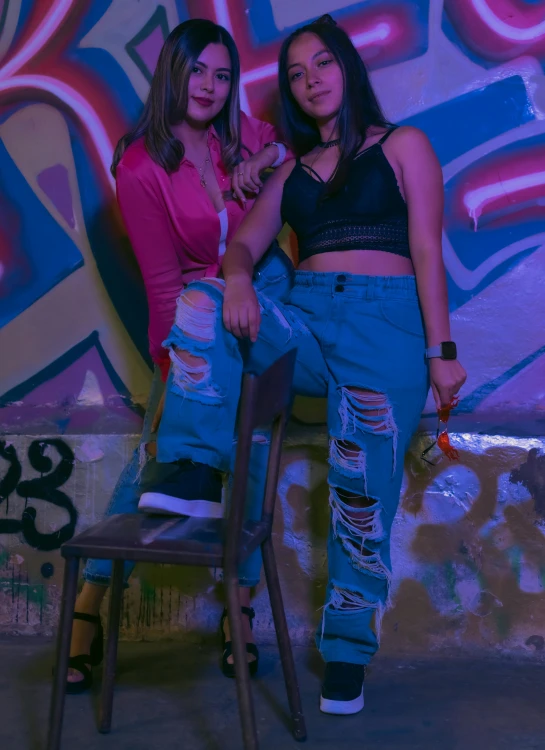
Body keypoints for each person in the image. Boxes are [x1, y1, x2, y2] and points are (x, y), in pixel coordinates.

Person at [149, 14, 467, 715]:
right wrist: (235, 279)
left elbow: (424, 251)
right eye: (294, 74)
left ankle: (346, 657)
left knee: (357, 506)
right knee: (201, 299)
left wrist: (440, 352)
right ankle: (194, 469)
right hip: (308, 321)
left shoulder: (403, 145)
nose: (309, 80)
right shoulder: (290, 171)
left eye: (320, 63)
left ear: (346, 69)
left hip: (385, 332)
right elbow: (242, 248)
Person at [65, 18, 294, 694]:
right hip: (199, 320)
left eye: (223, 76)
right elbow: (163, 281)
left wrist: (262, 160)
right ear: (174, 73)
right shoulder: (141, 166)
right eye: (198, 71)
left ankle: (238, 615)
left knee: (250, 451)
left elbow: (284, 146)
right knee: (164, 451)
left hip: (264, 299)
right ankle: (88, 612)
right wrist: (177, 368)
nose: (211, 86)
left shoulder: (239, 135)